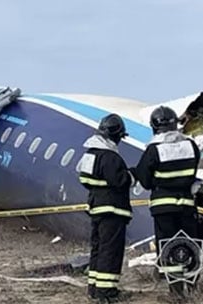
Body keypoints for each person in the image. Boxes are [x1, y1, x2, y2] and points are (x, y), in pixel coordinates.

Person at [132, 106, 202, 300]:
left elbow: (144, 180)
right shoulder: (191, 146)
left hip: (163, 207)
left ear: (154, 126)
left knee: (169, 247)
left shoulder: (154, 149)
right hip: (187, 204)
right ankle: (194, 286)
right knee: (190, 244)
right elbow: (193, 172)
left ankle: (176, 293)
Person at [78, 114, 134, 303]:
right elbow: (120, 181)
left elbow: (84, 180)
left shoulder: (89, 154)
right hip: (112, 210)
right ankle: (107, 293)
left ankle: (94, 288)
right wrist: (132, 175)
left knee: (98, 249)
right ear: (116, 135)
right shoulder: (110, 157)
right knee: (111, 250)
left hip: (96, 208)